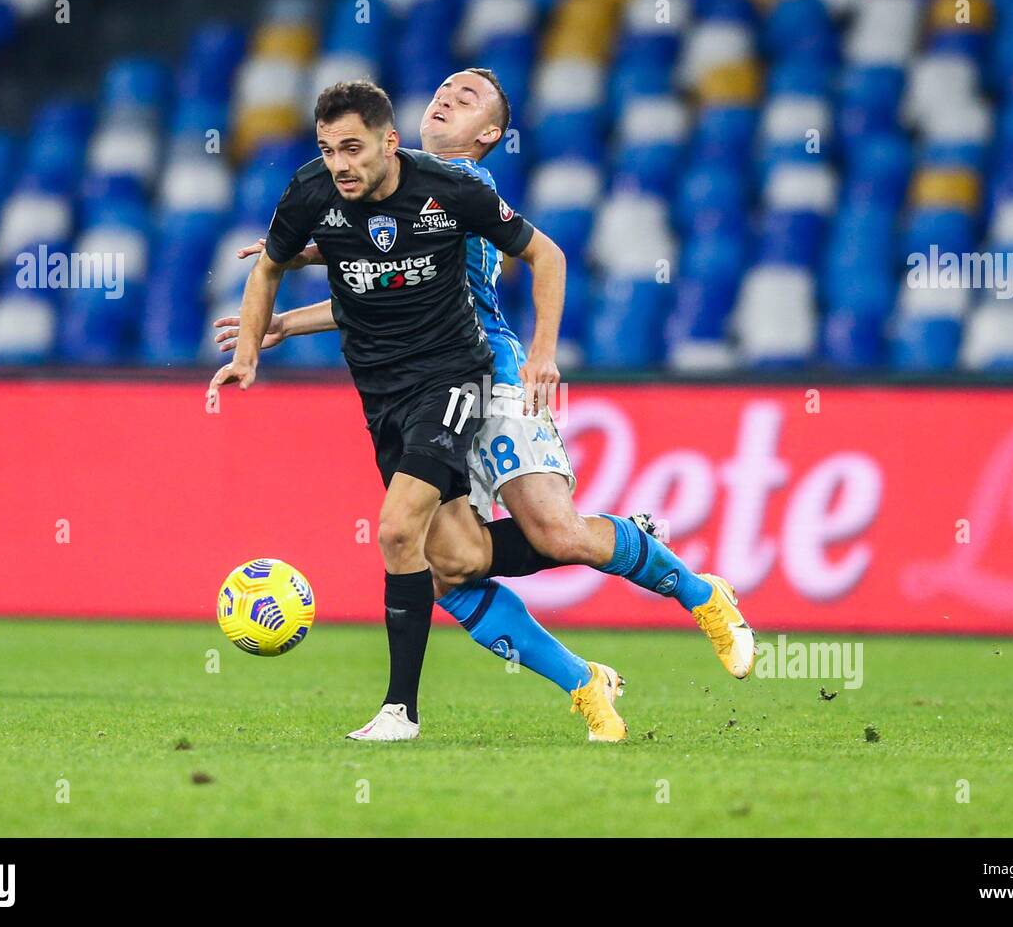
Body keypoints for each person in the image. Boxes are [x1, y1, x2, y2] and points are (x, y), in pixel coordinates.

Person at [216, 72, 755, 743]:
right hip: (411, 381)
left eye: (466, 98)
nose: (444, 97)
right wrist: (292, 312)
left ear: (490, 135)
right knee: (452, 567)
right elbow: (386, 281)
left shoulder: (462, 188)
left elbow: (506, 260)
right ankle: (585, 673)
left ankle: (699, 593)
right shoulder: (390, 191)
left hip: (486, 370)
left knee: (550, 532)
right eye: (442, 88)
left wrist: (543, 353)